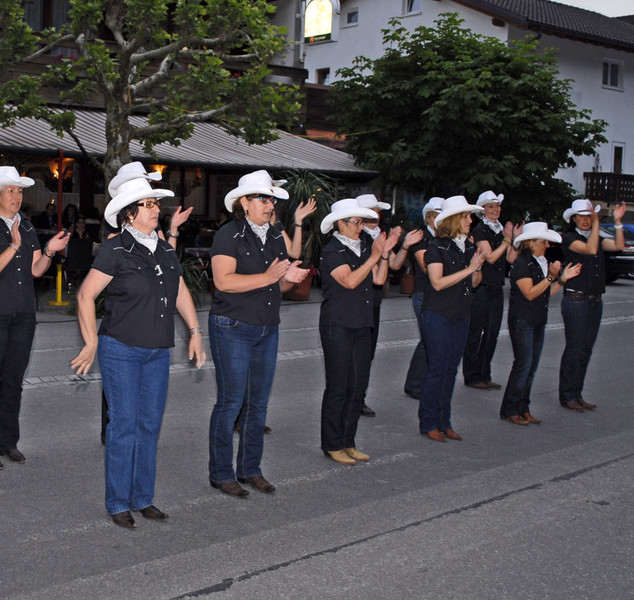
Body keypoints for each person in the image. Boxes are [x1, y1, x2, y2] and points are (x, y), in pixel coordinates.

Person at [71, 168, 206, 528]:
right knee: (124, 425)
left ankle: (142, 497)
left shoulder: (163, 248)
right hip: (121, 349)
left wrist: (195, 330)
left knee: (149, 424)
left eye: (155, 203)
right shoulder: (116, 249)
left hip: (157, 350)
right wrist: (91, 341)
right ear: (129, 213)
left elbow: (178, 290)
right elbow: (85, 295)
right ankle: (118, 501)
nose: (155, 209)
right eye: (147, 204)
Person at [207, 170, 308, 498]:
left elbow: (275, 284)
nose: (270, 204)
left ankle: (250, 469)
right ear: (244, 203)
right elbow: (224, 281)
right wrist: (268, 277)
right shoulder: (228, 235)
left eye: (272, 199)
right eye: (263, 199)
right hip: (233, 326)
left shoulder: (276, 236)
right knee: (231, 402)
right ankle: (221, 472)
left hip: (267, 327)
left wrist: (289, 279)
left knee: (258, 405)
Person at [0, 166, 69, 469]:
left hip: (23, 314)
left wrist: (49, 252)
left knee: (14, 381)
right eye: (11, 190)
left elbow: (35, 270)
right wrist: (13, 247)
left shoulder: (26, 227)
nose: (17, 196)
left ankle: (7, 442)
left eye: (20, 191)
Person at [317, 199, 395, 465]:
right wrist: (374, 256)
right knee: (338, 386)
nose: (360, 228)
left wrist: (382, 254)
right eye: (356, 222)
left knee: (357, 386)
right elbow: (349, 281)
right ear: (341, 223)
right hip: (338, 323)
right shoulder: (332, 250)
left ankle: (348, 441)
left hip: (362, 323)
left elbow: (379, 279)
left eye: (362, 223)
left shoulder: (363, 246)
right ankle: (331, 443)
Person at [419, 196, 487, 442]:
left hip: (461, 313)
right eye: (467, 216)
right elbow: (436, 283)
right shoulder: (436, 246)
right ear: (454, 220)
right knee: (437, 369)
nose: (471, 220)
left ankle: (444, 421)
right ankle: (428, 422)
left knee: (450, 370)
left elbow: (475, 282)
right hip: (438, 314)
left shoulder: (468, 247)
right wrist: (469, 269)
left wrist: (476, 268)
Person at [500, 223, 581, 425]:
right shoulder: (521, 263)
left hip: (537, 319)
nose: (547, 245)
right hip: (523, 320)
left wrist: (561, 279)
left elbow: (544, 293)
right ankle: (510, 409)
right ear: (530, 243)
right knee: (523, 365)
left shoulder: (540, 261)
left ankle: (523, 407)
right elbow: (529, 293)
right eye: (543, 241)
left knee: (531, 367)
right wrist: (551, 277)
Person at [353, 194, 423, 416]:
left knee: (368, 355)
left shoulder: (376, 235)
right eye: (373, 210)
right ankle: (352, 399)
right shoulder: (357, 236)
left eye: (378, 210)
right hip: (357, 302)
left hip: (373, 302)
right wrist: (383, 251)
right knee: (357, 355)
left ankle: (359, 398)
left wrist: (404, 246)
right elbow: (377, 275)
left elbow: (394, 263)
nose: (377, 214)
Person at [558, 199, 625, 412]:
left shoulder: (596, 237)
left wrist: (617, 222)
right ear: (574, 219)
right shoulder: (569, 238)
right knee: (575, 348)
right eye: (583, 217)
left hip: (595, 300)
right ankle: (567, 395)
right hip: (576, 299)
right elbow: (590, 248)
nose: (587, 220)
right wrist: (597, 224)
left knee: (585, 350)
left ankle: (577, 393)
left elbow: (619, 245)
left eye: (589, 216)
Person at [463, 191, 517, 390]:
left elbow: (511, 258)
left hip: (496, 287)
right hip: (481, 288)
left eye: (497, 206)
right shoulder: (479, 231)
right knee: (475, 332)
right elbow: (491, 257)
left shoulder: (502, 231)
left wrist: (513, 240)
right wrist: (506, 240)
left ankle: (484, 374)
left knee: (492, 332)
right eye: (491, 207)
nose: (496, 210)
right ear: (483, 211)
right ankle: (471, 375)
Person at [403, 197, 443, 399]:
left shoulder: (446, 238)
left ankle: (423, 382)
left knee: (433, 340)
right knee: (429, 340)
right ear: (428, 218)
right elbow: (427, 267)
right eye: (436, 216)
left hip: (440, 295)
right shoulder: (421, 238)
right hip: (423, 294)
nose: (440, 220)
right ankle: (414, 384)